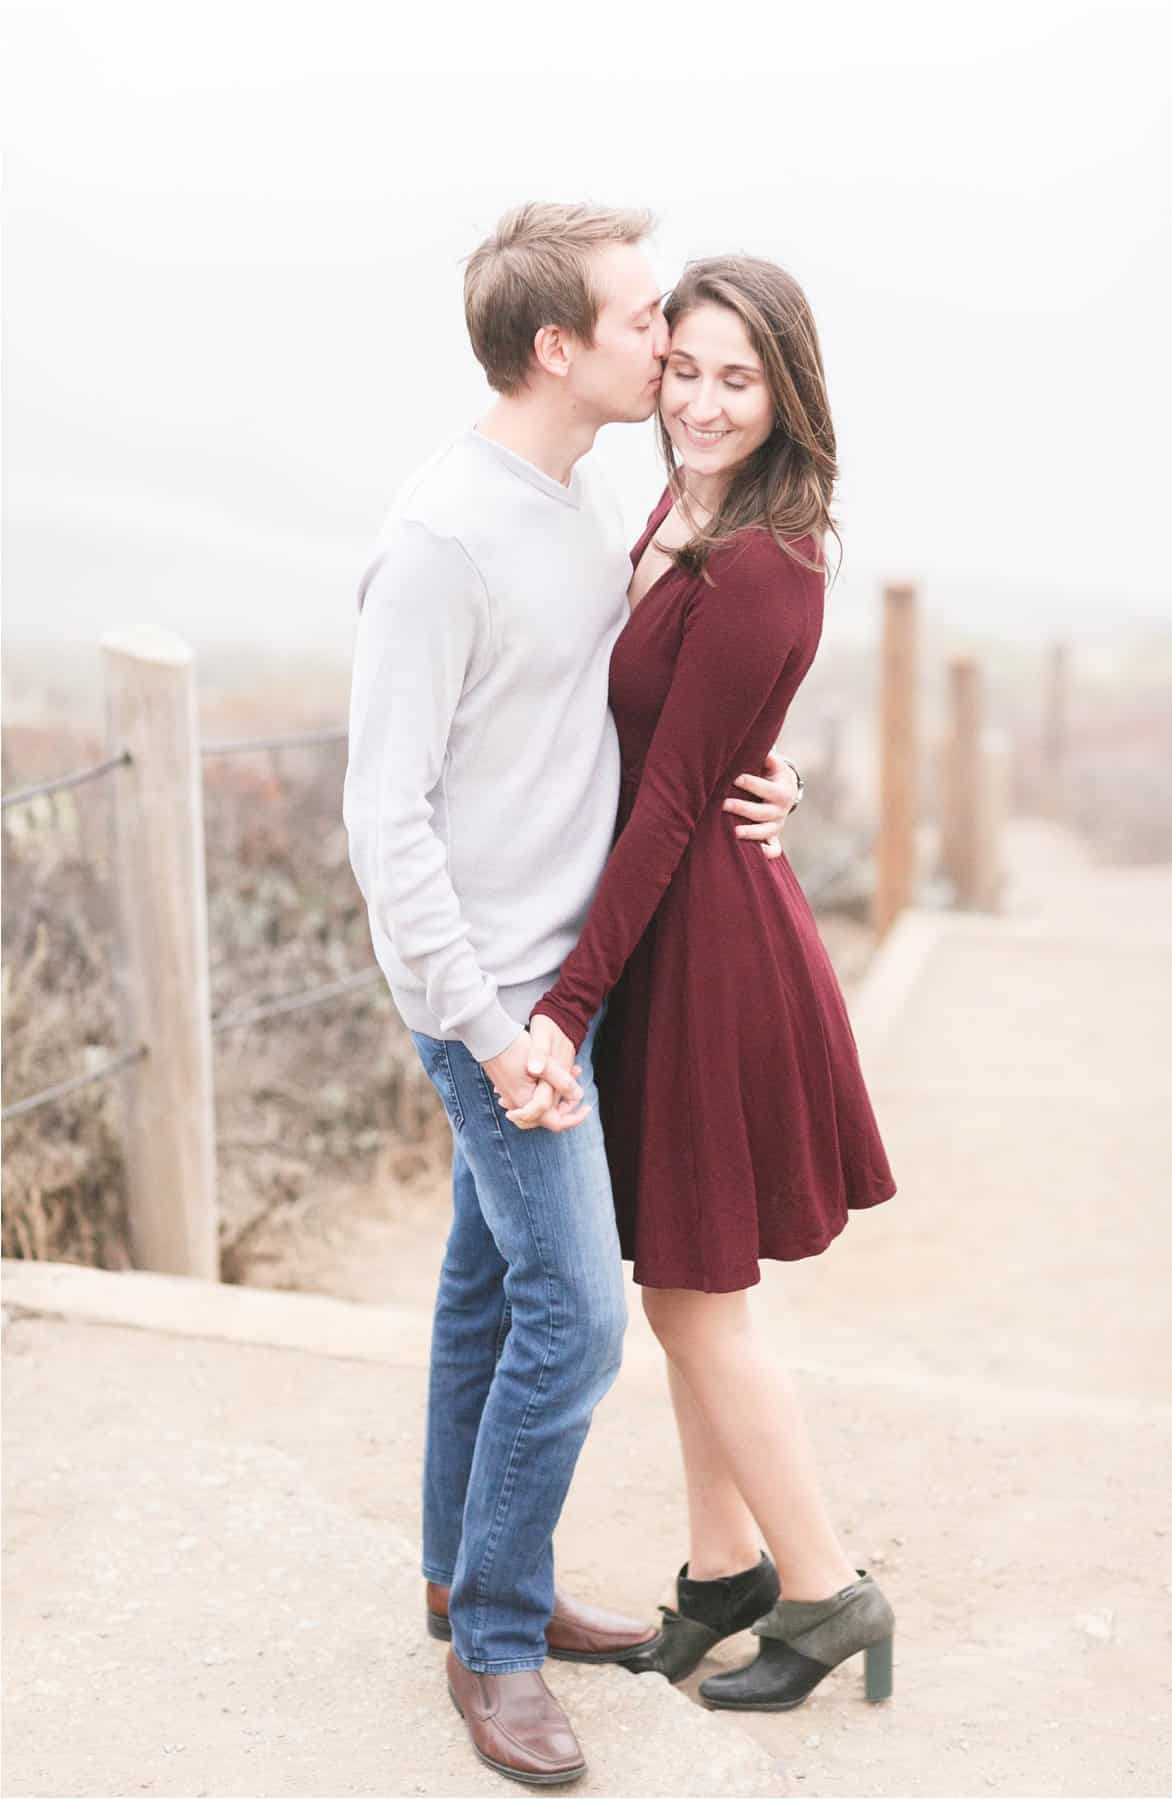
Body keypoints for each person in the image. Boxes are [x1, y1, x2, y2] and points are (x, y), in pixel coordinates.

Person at [342, 205, 801, 1786]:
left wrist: (767, 771)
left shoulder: (580, 495)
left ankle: (456, 1578)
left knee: (488, 1290)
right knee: (579, 1319)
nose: (664, 340)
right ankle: (497, 1648)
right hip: (500, 1000)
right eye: (636, 316)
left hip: (565, 983)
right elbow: (382, 819)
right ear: (558, 346)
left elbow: (628, 713)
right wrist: (490, 1027)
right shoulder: (444, 538)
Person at [517, 255, 899, 1715]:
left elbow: (676, 799)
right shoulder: (686, 508)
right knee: (684, 1267)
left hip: (711, 947)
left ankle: (824, 1591)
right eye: (687, 368)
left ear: (786, 393)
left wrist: (562, 1006)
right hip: (675, 932)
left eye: (739, 380)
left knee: (692, 1301)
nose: (701, 400)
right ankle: (720, 1575)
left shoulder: (765, 558)